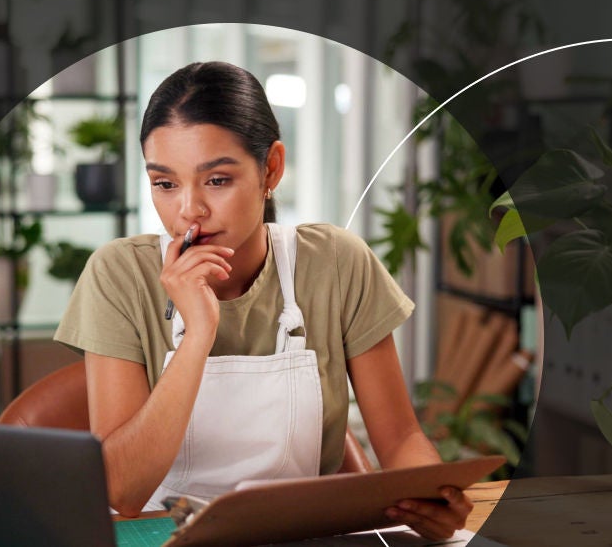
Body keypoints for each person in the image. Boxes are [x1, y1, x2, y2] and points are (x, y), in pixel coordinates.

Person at [52, 61, 472, 541]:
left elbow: (399, 440)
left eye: (217, 180)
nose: (189, 210)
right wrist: (197, 336)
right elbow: (123, 490)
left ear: (270, 168)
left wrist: (431, 501)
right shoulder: (118, 274)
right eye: (165, 184)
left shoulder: (336, 262)